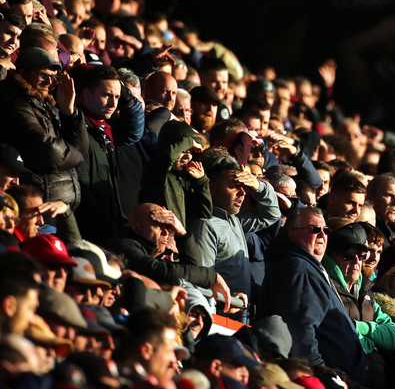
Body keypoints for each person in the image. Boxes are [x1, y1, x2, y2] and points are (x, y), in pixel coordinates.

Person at [258, 206, 367, 383]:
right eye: (315, 229)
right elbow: (301, 332)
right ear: (292, 234)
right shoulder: (299, 270)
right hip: (323, 384)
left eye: (326, 230)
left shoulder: (307, 267)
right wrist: (323, 379)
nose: (322, 235)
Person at [0, 47, 89, 217]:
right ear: (24, 73)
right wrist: (77, 156)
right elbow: (49, 153)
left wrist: (69, 112)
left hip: (59, 208)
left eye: (53, 78)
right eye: (43, 76)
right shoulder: (15, 104)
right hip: (36, 209)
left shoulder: (47, 105)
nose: (49, 82)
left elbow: (82, 148)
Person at [189, 151, 280, 304]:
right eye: (234, 186)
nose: (243, 192)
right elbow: (201, 280)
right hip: (219, 317)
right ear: (212, 189)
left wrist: (258, 186)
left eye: (244, 186)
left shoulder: (234, 220)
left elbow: (271, 214)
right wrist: (225, 301)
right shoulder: (205, 225)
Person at [103, 203, 231, 304]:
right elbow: (162, 272)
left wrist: (182, 233)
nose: (166, 233)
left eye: (168, 227)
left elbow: (194, 270)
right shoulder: (122, 246)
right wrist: (211, 276)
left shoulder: (151, 255)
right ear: (136, 228)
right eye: (158, 226)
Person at [75, 65, 144, 243]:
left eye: (117, 97)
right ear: (87, 95)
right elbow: (83, 188)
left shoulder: (106, 132)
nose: (113, 104)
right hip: (90, 233)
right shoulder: (77, 130)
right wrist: (108, 226)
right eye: (107, 95)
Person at [322, 223, 395, 355]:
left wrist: (361, 327)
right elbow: (340, 337)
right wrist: (372, 342)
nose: (356, 261)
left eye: (361, 256)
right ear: (332, 258)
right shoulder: (326, 287)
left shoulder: (366, 291)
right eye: (348, 256)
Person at [140, 120, 212, 227]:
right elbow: (168, 157)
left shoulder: (183, 181)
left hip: (175, 241)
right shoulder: (155, 170)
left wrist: (201, 183)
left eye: (191, 151)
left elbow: (205, 212)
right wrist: (190, 141)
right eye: (184, 150)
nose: (188, 156)